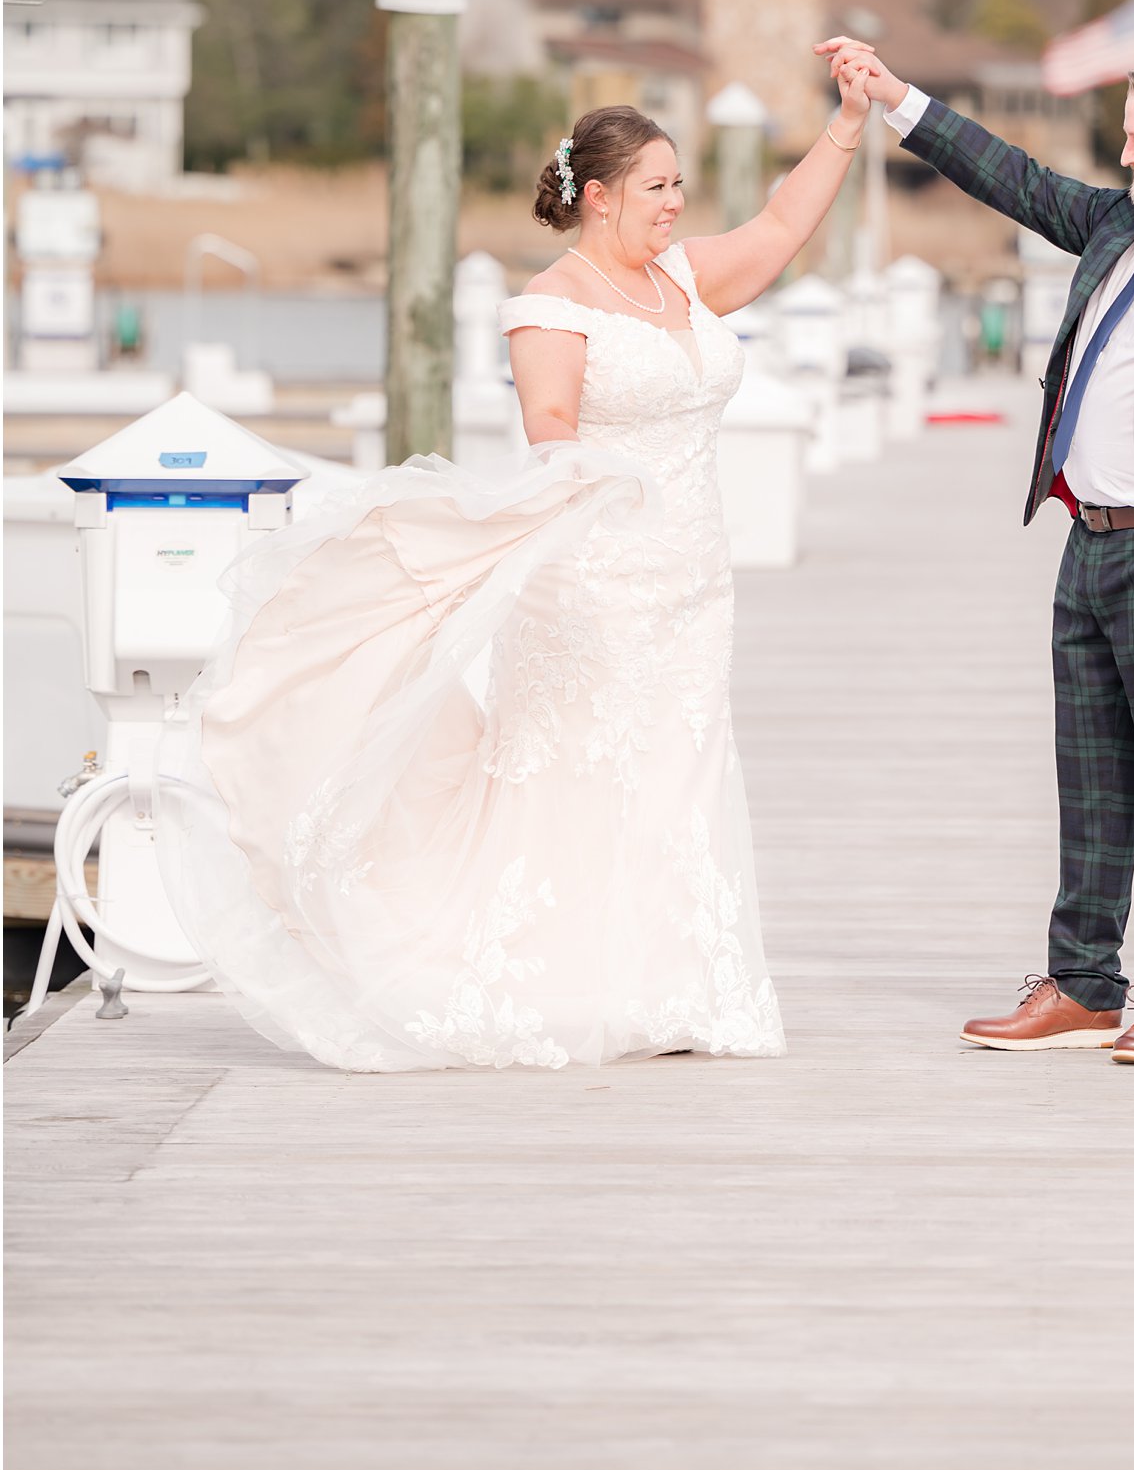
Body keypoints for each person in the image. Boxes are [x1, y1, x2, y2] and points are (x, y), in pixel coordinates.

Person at [158, 91, 873, 1072]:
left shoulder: (683, 278)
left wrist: (843, 123)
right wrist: (592, 479)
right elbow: (551, 428)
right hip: (591, 579)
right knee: (585, 769)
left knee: (681, 767)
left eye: (677, 186)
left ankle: (672, 987)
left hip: (692, 580)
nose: (674, 204)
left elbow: (782, 224)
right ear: (602, 197)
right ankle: (572, 984)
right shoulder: (552, 303)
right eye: (656, 187)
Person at [817, 37, 1134, 1067]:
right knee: (1087, 780)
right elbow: (1013, 178)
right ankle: (1084, 983)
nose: (1124, 158)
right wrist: (894, 97)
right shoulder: (1118, 224)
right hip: (1085, 548)